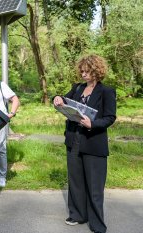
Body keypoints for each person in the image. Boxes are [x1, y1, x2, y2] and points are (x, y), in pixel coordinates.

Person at [53, 54, 116, 233]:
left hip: (94, 143)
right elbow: (63, 100)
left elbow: (110, 118)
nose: (83, 74)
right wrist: (57, 99)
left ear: (96, 70)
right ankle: (78, 215)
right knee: (76, 182)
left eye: (86, 71)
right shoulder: (77, 88)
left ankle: (97, 224)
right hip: (74, 140)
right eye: (81, 71)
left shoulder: (106, 91)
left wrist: (92, 124)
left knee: (95, 186)